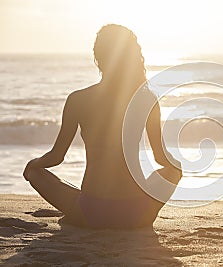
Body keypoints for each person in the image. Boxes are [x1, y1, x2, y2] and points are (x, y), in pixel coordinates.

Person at [23, 24, 182, 229]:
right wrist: (179, 165)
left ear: (98, 57)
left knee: (35, 173)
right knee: (174, 170)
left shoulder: (78, 99)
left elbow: (56, 157)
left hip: (91, 212)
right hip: (137, 214)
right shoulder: (146, 100)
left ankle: (81, 211)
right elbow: (162, 159)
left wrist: (33, 164)